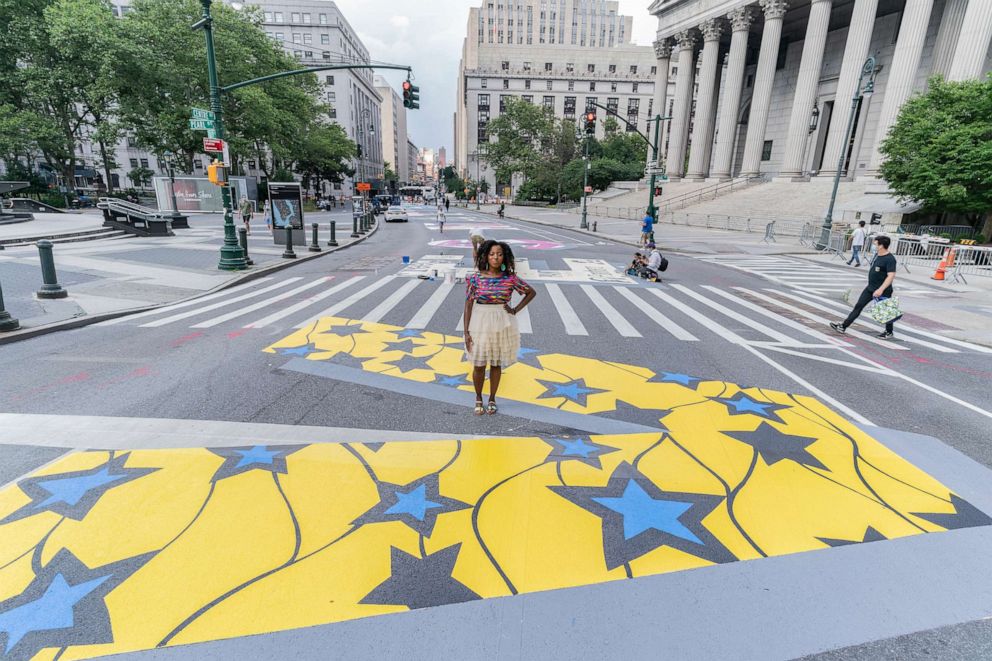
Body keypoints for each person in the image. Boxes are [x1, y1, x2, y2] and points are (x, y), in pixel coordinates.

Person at [464, 240, 537, 416]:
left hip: (502, 323)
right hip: (480, 322)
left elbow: (531, 292)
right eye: (491, 254)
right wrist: (466, 332)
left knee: (496, 363)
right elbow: (468, 305)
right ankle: (478, 398)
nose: (495, 257)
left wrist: (515, 310)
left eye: (499, 254)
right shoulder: (475, 278)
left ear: (504, 256)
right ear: (486, 257)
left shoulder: (510, 278)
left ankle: (492, 398)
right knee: (479, 364)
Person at [831, 235, 898, 339]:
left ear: (881, 246)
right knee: (858, 306)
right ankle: (843, 326)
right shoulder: (877, 255)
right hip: (870, 288)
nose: (873, 246)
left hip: (883, 290)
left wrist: (881, 289)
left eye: (875, 244)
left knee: (885, 311)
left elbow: (891, 276)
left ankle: (889, 332)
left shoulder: (890, 259)